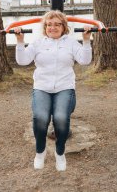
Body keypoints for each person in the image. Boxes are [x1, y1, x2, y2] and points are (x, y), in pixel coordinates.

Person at [14, 10, 93, 171]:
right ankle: (40, 152)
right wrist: (20, 42)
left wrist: (86, 41)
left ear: (64, 27)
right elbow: (22, 61)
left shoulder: (70, 43)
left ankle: (60, 152)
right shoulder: (38, 43)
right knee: (41, 118)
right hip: (42, 87)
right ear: (45, 27)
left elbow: (85, 60)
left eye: (57, 24)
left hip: (64, 87)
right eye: (49, 24)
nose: (53, 27)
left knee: (61, 118)